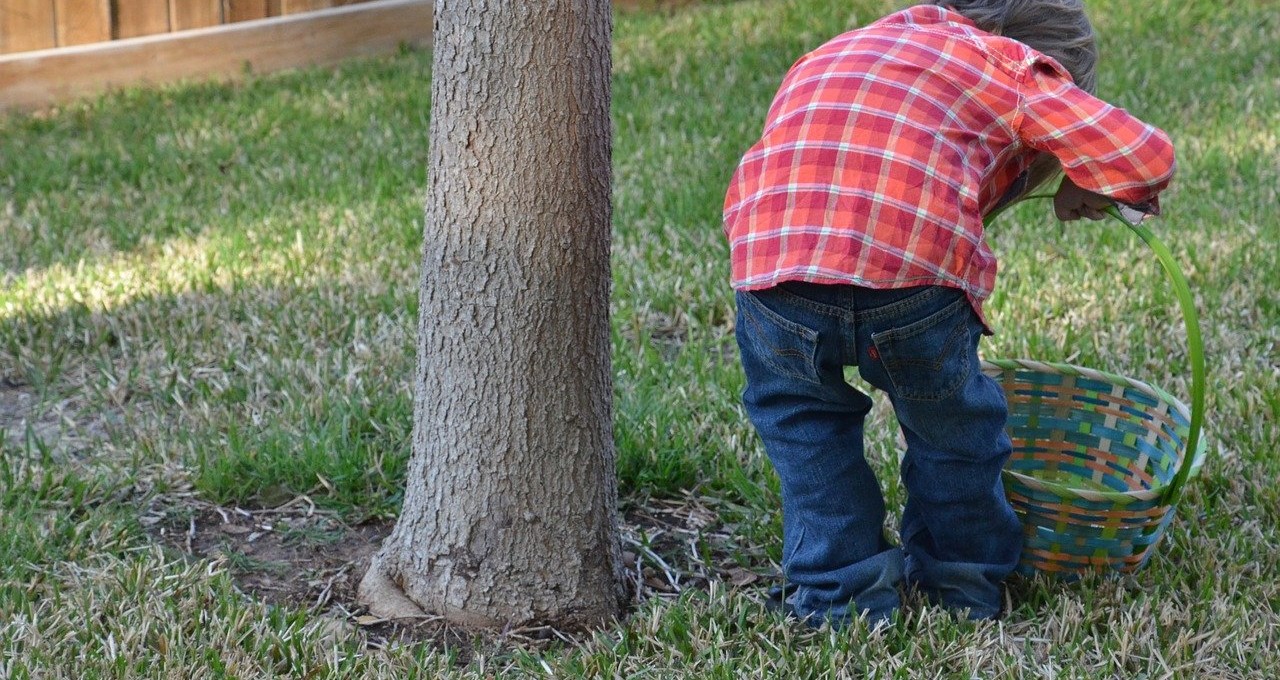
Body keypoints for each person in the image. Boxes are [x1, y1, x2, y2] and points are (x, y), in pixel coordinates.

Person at [723, 0, 1175, 627]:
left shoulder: (837, 49)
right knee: (954, 432)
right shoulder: (1006, 62)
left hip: (773, 265)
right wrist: (1083, 174)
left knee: (806, 431)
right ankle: (959, 586)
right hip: (910, 279)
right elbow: (1145, 153)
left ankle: (839, 598)